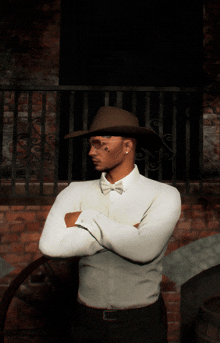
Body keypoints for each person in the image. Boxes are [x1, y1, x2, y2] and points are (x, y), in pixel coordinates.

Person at [39, 106, 181, 343]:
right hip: (85, 321)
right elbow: (51, 246)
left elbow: (143, 251)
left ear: (127, 146)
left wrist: (86, 218)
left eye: (99, 144)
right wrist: (125, 235)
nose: (91, 152)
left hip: (141, 323)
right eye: (91, 144)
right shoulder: (75, 191)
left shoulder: (164, 194)